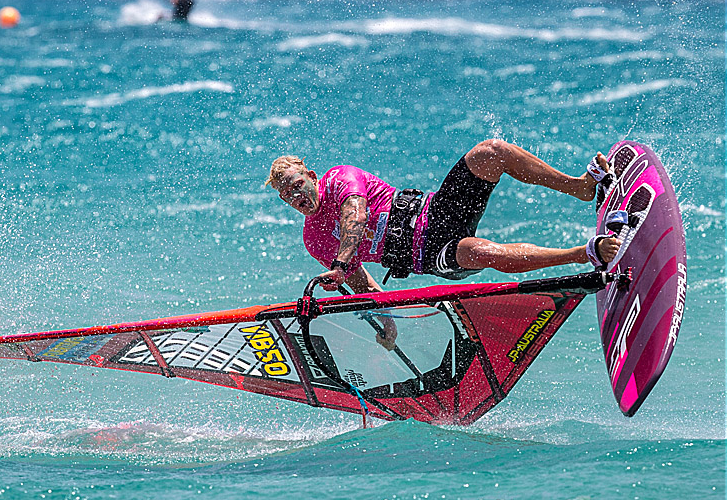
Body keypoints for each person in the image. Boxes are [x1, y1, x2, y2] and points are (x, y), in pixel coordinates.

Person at [265, 140, 621, 350]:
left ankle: (579, 187)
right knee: (478, 252)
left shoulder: (342, 178)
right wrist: (387, 321)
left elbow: (355, 217)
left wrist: (340, 263)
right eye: (287, 196)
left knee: (490, 151)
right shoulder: (313, 239)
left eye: (297, 185)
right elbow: (360, 285)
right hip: (428, 255)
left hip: (438, 211)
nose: (296, 196)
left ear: (312, 177)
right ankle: (584, 253)